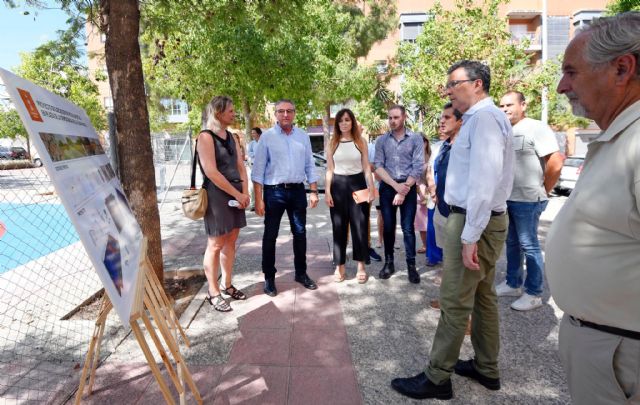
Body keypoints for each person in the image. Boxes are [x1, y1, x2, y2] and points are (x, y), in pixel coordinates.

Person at [391, 60, 514, 400]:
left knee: (454, 301)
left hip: (475, 219)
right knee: (482, 297)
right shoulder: (480, 119)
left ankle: (437, 377)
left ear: (477, 84)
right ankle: (486, 368)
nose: (447, 90)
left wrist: (471, 235)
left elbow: (485, 180)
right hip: (478, 218)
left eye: (453, 83)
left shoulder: (485, 118)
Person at [546, 12, 640, 405]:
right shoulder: (620, 136)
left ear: (622, 68)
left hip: (622, 356)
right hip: (608, 348)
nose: (560, 86)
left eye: (571, 71)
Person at [496, 91, 563, 311]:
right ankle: (513, 283)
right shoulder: (505, 130)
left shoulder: (536, 127)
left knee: (529, 245)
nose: (504, 109)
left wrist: (544, 189)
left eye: (509, 104)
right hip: (509, 199)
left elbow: (555, 162)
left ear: (523, 105)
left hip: (528, 200)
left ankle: (534, 293)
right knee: (512, 243)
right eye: (502, 105)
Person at [252, 99, 320, 296]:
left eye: (289, 111)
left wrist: (314, 191)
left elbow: (310, 165)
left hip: (298, 191)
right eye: (281, 111)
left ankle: (301, 273)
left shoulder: (303, 137)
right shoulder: (267, 137)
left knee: (300, 234)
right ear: (275, 114)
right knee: (270, 235)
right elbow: (258, 171)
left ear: (294, 113)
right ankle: (269, 278)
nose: (285, 115)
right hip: (274, 192)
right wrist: (259, 198)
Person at [197, 96, 250, 312]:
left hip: (236, 194)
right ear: (218, 113)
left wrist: (245, 194)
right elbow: (211, 172)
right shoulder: (205, 137)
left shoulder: (232, 137)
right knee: (216, 243)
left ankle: (227, 285)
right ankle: (213, 292)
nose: (234, 113)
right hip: (218, 197)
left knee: (231, 240)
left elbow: (240, 166)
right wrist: (237, 194)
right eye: (230, 110)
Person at [374, 105, 424, 284]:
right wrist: (396, 186)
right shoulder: (381, 140)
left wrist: (404, 189)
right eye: (390, 118)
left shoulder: (416, 139)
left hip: (408, 188)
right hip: (388, 187)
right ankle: (389, 263)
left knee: (408, 228)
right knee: (388, 227)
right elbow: (378, 166)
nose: (392, 121)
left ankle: (411, 266)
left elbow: (418, 166)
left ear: (404, 117)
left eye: (396, 117)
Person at [325, 109, 375, 283]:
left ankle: (361, 266)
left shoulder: (361, 142)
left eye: (347, 120)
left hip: (358, 184)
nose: (344, 123)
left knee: (360, 226)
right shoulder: (332, 143)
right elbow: (329, 169)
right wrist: (327, 191)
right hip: (338, 185)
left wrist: (372, 187)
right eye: (340, 120)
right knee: (338, 227)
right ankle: (340, 267)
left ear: (352, 122)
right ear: (337, 124)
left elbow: (367, 167)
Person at [246, 127, 261, 211]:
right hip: (253, 166)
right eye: (252, 133)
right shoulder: (251, 143)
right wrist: (256, 153)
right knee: (252, 186)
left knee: (264, 186)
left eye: (254, 133)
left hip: (263, 166)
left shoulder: (264, 142)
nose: (252, 135)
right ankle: (253, 204)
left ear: (258, 134)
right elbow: (249, 153)